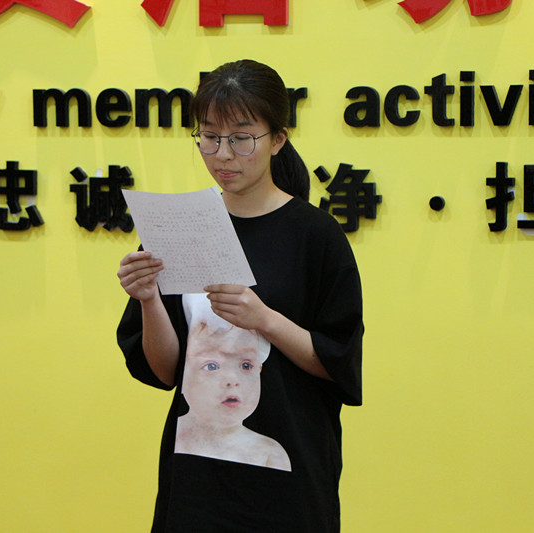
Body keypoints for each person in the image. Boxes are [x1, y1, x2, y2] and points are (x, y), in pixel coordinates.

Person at [117, 59, 363, 532]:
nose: (223, 155)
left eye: (241, 138)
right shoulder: (182, 226)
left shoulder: (316, 235)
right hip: (197, 477)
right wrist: (148, 298)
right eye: (209, 137)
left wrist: (264, 319)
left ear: (277, 139)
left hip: (288, 473)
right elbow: (166, 371)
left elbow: (339, 361)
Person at [175, 293, 291, 472]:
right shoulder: (177, 438)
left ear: (259, 370)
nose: (232, 380)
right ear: (185, 372)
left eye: (246, 365)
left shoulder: (269, 454)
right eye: (211, 366)